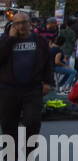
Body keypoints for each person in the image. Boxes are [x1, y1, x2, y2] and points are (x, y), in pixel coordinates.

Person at [0, 11, 55, 152]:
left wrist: (48, 82)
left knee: (33, 121)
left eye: (24, 22)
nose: (21, 26)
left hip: (33, 88)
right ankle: (10, 154)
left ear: (30, 23)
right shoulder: (5, 40)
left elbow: (48, 63)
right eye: (17, 23)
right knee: (8, 123)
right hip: (9, 89)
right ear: (13, 25)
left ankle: (29, 150)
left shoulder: (39, 41)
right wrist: (11, 39)